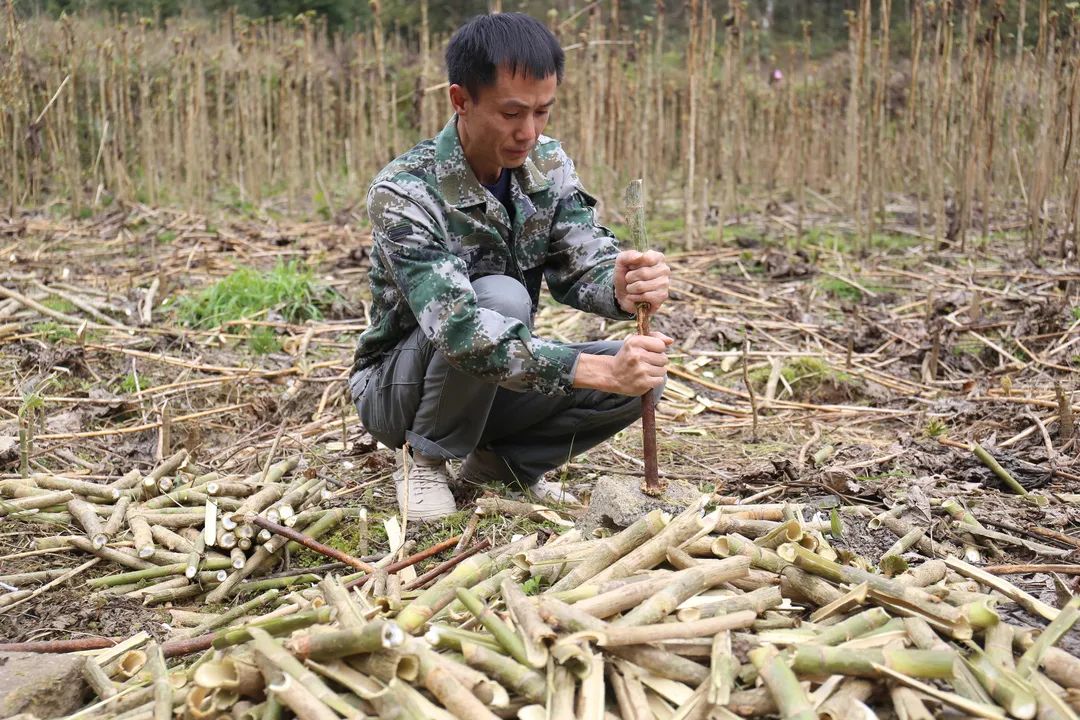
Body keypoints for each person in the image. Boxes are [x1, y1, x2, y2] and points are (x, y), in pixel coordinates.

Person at [348, 12, 672, 521]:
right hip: (398, 390)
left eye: (543, 111)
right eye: (511, 113)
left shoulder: (546, 162)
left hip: (496, 379)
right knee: (501, 297)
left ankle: (500, 466)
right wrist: (599, 370)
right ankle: (425, 458)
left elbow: (578, 260)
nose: (529, 132)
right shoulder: (405, 192)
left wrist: (620, 282)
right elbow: (460, 331)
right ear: (461, 100)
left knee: (645, 378)